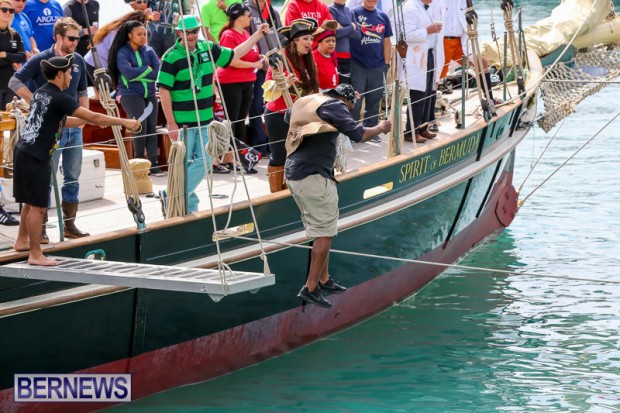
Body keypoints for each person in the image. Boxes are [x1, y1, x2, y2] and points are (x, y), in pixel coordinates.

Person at [12, 55, 140, 266]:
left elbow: (62, 120)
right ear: (60, 74)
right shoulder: (60, 97)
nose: (72, 77)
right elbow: (94, 116)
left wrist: (90, 121)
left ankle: (21, 241)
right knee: (39, 207)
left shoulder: (41, 93)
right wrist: (124, 122)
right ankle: (35, 254)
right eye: (70, 73)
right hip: (36, 156)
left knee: (30, 201)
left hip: (23, 151)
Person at [284, 83, 391, 308]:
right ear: (345, 100)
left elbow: (287, 117)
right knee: (325, 233)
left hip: (294, 173)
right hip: (313, 178)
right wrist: (381, 127)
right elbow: (359, 135)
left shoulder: (309, 101)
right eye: (350, 106)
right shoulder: (335, 106)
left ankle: (324, 280)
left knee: (323, 229)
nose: (348, 111)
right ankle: (310, 288)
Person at [157, 15, 269, 213]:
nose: (191, 36)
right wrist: (171, 123)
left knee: (207, 159)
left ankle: (171, 194)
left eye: (194, 31)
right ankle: (189, 205)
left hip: (205, 120)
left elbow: (235, 54)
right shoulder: (170, 57)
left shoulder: (207, 48)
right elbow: (164, 90)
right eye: (186, 32)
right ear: (179, 33)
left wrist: (258, 35)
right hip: (182, 123)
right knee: (184, 165)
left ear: (199, 30)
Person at [9, 17, 91, 241]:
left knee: (73, 176)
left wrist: (84, 117)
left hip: (73, 128)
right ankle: (41, 229)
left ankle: (70, 224)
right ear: (58, 37)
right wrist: (38, 101)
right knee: (45, 178)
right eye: (71, 38)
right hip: (49, 130)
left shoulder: (78, 60)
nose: (75, 43)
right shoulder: (42, 59)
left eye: (77, 39)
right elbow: (15, 82)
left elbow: (82, 91)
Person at [263, 17, 318, 193]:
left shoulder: (308, 60)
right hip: (278, 115)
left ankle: (292, 189)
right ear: (295, 41)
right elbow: (267, 88)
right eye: (305, 38)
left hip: (299, 115)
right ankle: (277, 193)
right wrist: (284, 84)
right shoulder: (280, 60)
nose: (309, 42)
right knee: (279, 155)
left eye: (311, 39)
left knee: (298, 154)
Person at [108, 20, 162, 175]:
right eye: (139, 34)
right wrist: (146, 69)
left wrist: (139, 72)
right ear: (130, 35)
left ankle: (154, 163)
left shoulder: (149, 51)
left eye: (145, 34)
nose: (143, 37)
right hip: (129, 93)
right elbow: (128, 74)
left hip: (149, 94)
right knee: (140, 125)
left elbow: (157, 73)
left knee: (151, 127)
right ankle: (139, 163)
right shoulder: (122, 52)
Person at [216, 3, 265, 173]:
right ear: (239, 17)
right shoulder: (228, 35)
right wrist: (253, 64)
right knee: (232, 121)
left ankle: (238, 157)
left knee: (240, 121)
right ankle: (230, 158)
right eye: (248, 15)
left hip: (247, 80)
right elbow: (230, 60)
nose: (251, 18)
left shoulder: (246, 33)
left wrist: (258, 58)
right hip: (231, 82)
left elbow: (249, 53)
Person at [401, 0, 443, 143]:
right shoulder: (409, 8)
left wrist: (431, 31)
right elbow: (407, 35)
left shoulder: (423, 8)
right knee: (418, 94)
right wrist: (428, 30)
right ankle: (411, 131)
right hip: (417, 57)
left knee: (428, 93)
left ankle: (423, 128)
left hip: (428, 54)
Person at [350, 0, 392, 137]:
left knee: (374, 101)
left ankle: (371, 132)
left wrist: (386, 64)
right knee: (355, 101)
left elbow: (386, 41)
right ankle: (353, 132)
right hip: (357, 64)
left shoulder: (383, 16)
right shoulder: (354, 13)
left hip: (378, 65)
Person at [245, 0, 281, 155]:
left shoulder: (273, 12)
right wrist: (259, 60)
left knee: (274, 105)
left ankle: (273, 143)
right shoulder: (247, 10)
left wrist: (280, 56)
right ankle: (259, 146)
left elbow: (281, 37)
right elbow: (247, 40)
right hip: (258, 67)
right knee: (256, 107)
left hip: (276, 66)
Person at [83, 10, 147, 80]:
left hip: (103, 64)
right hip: (95, 63)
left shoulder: (127, 34)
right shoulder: (117, 33)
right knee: (105, 86)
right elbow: (115, 55)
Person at [0, 0, 26, 109]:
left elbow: (23, 56)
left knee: (11, 115)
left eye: (11, 10)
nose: (8, 13)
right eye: (4, 10)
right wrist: (12, 60)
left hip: (10, 84)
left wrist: (5, 55)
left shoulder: (14, 34)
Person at [329, 0, 360, 85]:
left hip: (346, 58)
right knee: (333, 87)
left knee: (344, 87)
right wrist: (351, 27)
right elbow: (335, 33)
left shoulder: (349, 11)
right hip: (333, 57)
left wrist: (343, 28)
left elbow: (358, 35)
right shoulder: (330, 9)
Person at [312, 19, 338, 90]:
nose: (331, 44)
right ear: (319, 43)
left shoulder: (332, 57)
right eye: (328, 41)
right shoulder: (313, 58)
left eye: (333, 41)